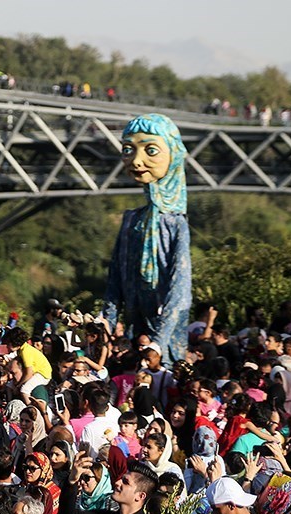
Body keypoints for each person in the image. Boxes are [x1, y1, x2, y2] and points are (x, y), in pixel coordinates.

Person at [103, 114, 191, 366]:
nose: (136, 161)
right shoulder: (132, 219)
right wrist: (105, 322)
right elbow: (115, 278)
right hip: (134, 335)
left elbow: (180, 289)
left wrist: (159, 341)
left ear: (173, 155)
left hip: (166, 345)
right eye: (128, 150)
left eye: (150, 150)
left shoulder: (175, 223)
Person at [58, 454, 161, 514]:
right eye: (121, 479)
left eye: (125, 482)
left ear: (140, 496)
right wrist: (72, 481)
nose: (117, 483)